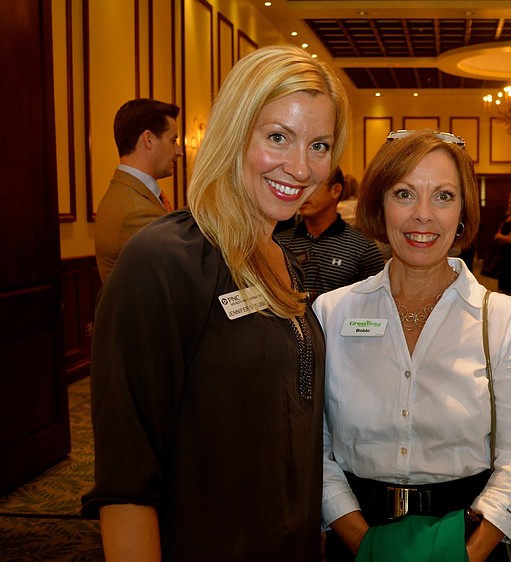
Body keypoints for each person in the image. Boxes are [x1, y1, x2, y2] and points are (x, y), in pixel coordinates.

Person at [81, 45, 350, 561]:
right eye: (277, 137)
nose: (300, 167)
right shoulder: (163, 260)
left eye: (319, 145)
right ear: (232, 133)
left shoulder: (283, 260)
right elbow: (127, 484)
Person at [313, 129, 511, 562]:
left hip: (467, 539)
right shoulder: (332, 312)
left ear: (463, 210)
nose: (423, 216)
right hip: (358, 539)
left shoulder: (504, 319)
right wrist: (368, 546)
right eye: (404, 194)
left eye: (443, 196)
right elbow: (317, 451)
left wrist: (464, 555)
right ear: (380, 203)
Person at [94, 98, 182, 282]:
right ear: (149, 140)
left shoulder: (128, 193)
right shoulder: (135, 211)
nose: (179, 151)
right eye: (173, 140)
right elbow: (178, 271)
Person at [274, 167, 385, 300]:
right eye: (300, 188)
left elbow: (375, 304)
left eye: (312, 187)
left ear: (335, 190)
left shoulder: (363, 249)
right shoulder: (279, 244)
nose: (303, 194)